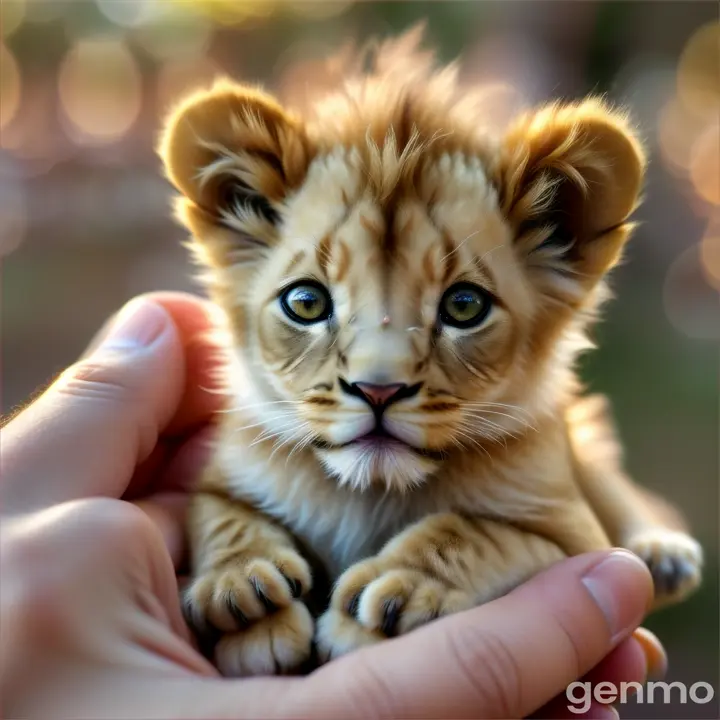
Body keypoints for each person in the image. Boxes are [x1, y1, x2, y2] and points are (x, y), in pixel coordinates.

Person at [1, 292, 667, 719]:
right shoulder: (234, 436)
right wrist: (237, 548)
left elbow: (571, 540)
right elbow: (212, 500)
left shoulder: (522, 435)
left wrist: (453, 560)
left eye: (461, 307)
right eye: (309, 301)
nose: (378, 375)